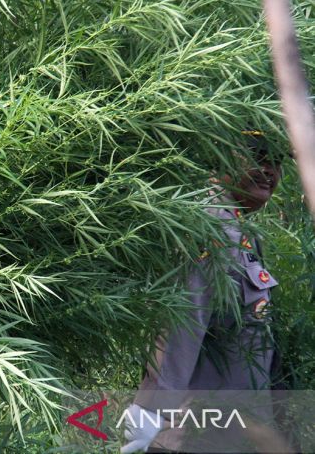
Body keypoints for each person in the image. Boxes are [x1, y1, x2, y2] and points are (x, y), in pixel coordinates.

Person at [121, 131, 289, 453]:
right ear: (219, 158)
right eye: (258, 158)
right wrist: (151, 412)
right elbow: (184, 321)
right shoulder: (211, 224)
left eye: (277, 163)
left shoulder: (237, 228)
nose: (270, 171)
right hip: (190, 434)